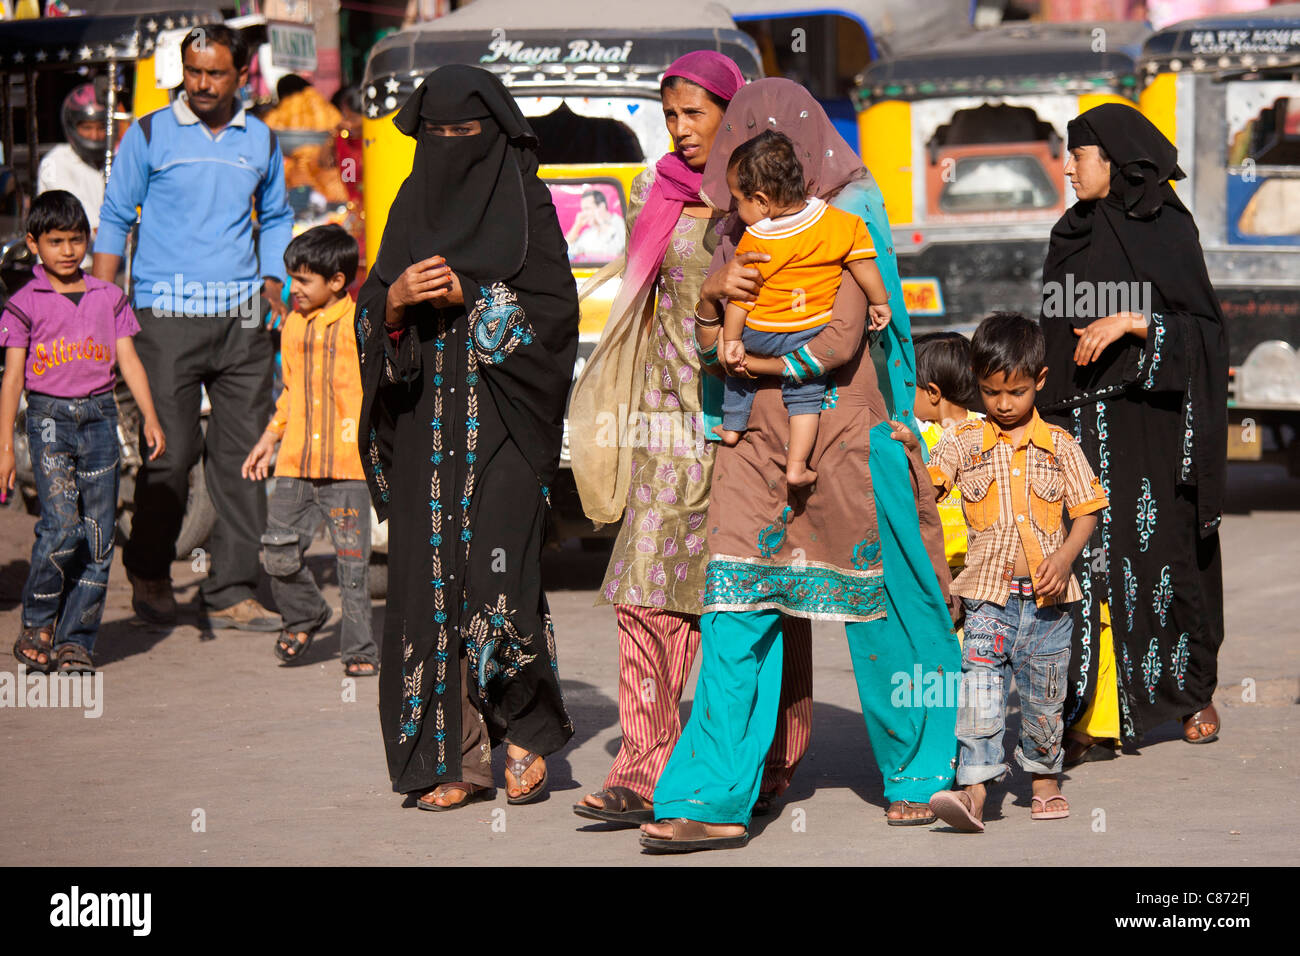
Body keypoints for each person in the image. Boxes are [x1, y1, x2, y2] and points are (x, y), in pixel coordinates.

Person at [638, 78, 959, 851]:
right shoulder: (734, 238)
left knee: (875, 609)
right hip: (751, 449)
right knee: (733, 612)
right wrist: (714, 300)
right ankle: (710, 796)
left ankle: (918, 773)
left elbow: (847, 340)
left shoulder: (849, 222)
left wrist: (754, 356)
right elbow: (712, 350)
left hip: (847, 444)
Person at [569, 53, 818, 828]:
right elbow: (639, 311)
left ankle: (768, 757)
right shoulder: (656, 192)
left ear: (734, 113)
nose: (679, 132)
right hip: (668, 423)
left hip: (755, 423)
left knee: (751, 595)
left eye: (694, 115)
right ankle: (641, 768)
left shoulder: (774, 195)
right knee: (645, 594)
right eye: (670, 116)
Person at [356, 65, 578, 810]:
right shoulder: (409, 203)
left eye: (466, 134)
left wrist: (477, 299)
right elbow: (371, 308)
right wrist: (392, 303)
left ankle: (523, 732)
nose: (452, 148)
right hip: (425, 428)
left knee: (497, 581)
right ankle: (451, 759)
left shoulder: (529, 203)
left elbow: (556, 321)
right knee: (426, 587)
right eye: (438, 136)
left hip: (508, 425)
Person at [1037, 104, 1229, 761]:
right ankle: (1091, 712)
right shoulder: (1071, 233)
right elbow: (1055, 332)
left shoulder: (1168, 229)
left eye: (1078, 157)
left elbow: (1207, 334)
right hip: (1085, 426)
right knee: (1087, 570)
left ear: (1113, 162)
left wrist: (1134, 322)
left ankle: (1190, 693)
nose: (1068, 169)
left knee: (1165, 561)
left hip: (1154, 426)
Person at [93, 24, 294, 631]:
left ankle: (230, 587)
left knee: (243, 459)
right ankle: (149, 571)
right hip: (163, 319)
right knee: (170, 453)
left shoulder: (260, 139)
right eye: (193, 71)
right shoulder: (149, 134)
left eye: (215, 73)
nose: (202, 83)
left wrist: (270, 285)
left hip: (242, 324)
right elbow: (114, 220)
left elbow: (279, 217)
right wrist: (100, 313)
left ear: (241, 77)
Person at [923, 313, 1108, 832]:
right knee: (980, 693)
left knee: (1044, 697)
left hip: (1050, 607)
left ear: (1040, 382)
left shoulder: (1061, 445)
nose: (1003, 404)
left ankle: (1044, 782)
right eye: (990, 392)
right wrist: (910, 449)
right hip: (988, 601)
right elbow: (928, 488)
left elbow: (1088, 509)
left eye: (1016, 392)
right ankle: (974, 792)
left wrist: (1066, 555)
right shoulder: (963, 442)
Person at [0, 191, 165, 674]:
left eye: (77, 240)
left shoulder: (108, 298)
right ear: (34, 244)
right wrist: (5, 447)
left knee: (97, 535)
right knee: (62, 526)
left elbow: (129, 360)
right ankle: (38, 623)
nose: (68, 251)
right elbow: (12, 378)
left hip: (100, 418)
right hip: (48, 420)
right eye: (56, 241)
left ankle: (76, 640)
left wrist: (150, 417)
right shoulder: (22, 304)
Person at [709, 130, 892, 488]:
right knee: (806, 395)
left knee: (737, 375)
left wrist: (732, 339)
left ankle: (732, 428)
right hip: (810, 330)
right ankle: (797, 465)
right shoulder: (842, 223)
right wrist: (879, 301)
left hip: (760, 331)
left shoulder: (757, 239)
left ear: (762, 201)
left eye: (738, 200)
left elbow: (742, 298)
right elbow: (865, 266)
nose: (735, 209)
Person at [240, 225, 377, 677]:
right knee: (276, 553)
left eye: (303, 280)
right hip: (296, 463)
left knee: (353, 568)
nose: (292, 289)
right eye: (290, 278)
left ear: (337, 281)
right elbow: (290, 393)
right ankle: (305, 615)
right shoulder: (292, 326)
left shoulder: (361, 324)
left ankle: (358, 649)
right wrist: (269, 439)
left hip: (347, 468)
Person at [913, 331, 982, 575]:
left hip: (977, 566)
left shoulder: (987, 431)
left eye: (909, 385)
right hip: (933, 565)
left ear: (933, 392)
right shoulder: (913, 432)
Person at [36, 84, 129, 248]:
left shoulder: (118, 161)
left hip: (114, 264)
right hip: (69, 265)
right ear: (73, 126)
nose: (94, 135)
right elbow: (88, 223)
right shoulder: (57, 162)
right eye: (87, 128)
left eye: (102, 128)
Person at [564, 189, 624, 263]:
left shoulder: (620, 224)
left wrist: (602, 224)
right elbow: (567, 250)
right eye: (583, 210)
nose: (583, 214)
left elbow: (615, 251)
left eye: (587, 209)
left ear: (601, 207)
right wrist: (577, 226)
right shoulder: (589, 232)